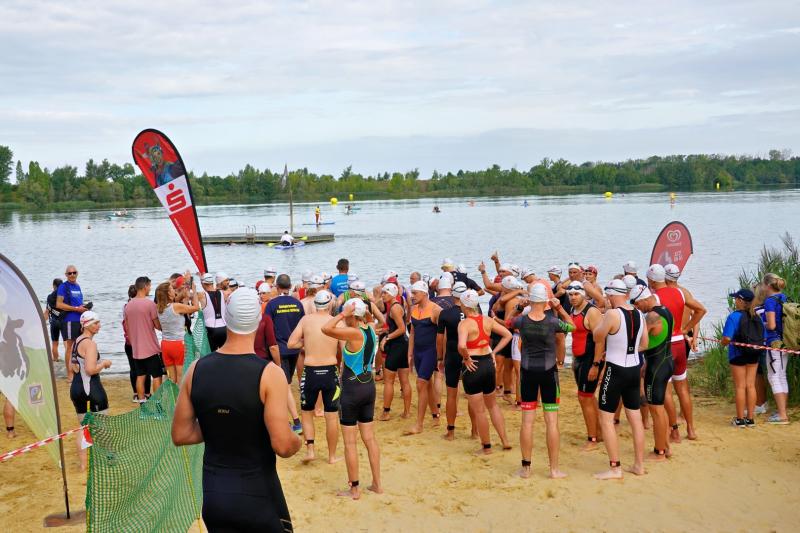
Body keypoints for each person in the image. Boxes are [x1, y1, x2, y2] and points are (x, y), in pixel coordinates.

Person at [172, 288, 301, 532]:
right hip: (258, 495)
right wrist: (298, 441)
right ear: (259, 322)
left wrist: (220, 425)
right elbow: (284, 446)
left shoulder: (196, 369)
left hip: (214, 496)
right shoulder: (270, 374)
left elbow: (181, 434)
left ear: (226, 318)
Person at [508, 284, 573, 478]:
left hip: (528, 372)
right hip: (549, 373)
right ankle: (553, 469)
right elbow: (572, 325)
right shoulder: (553, 322)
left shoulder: (521, 321)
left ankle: (526, 468)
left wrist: (519, 306)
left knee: (527, 422)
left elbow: (507, 320)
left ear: (530, 299)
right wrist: (559, 307)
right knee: (551, 422)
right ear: (546, 301)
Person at [322, 299, 382, 499]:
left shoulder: (354, 333)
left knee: (350, 443)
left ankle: (354, 489)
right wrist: (356, 312)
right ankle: (377, 484)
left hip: (352, 391)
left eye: (347, 314)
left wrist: (341, 314)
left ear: (352, 315)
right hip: (369, 388)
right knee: (370, 438)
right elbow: (371, 318)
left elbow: (326, 328)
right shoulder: (370, 329)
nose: (344, 317)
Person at [590, 279, 649, 480]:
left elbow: (597, 336)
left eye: (608, 296)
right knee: (635, 418)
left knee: (606, 419)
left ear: (612, 295)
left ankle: (615, 468)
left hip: (615, 370)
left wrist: (603, 316)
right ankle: (639, 465)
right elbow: (645, 343)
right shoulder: (639, 313)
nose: (607, 298)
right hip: (633, 369)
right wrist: (626, 350)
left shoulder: (613, 314)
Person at [287, 290, 342, 464]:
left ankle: (310, 451)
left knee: (306, 413)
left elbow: (291, 343)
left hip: (310, 372)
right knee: (331, 416)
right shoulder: (335, 322)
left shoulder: (306, 320)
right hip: (330, 372)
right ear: (330, 304)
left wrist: (307, 342)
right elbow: (345, 349)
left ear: (315, 304)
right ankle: (332, 456)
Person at [457, 289, 513, 455]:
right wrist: (493, 352)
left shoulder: (464, 324)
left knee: (480, 410)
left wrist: (466, 358)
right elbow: (507, 335)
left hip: (473, 366)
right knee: (493, 406)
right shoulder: (487, 320)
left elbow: (461, 345)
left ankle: (486, 447)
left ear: (464, 305)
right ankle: (505, 441)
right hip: (488, 364)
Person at [647, 264, 699, 441]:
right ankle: (691, 429)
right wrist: (686, 329)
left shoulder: (654, 297)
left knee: (666, 391)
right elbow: (701, 310)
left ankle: (674, 430)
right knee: (683, 388)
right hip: (680, 342)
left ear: (651, 280)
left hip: (666, 345)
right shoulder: (681, 292)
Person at [629, 285, 675, 459]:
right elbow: (659, 340)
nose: (637, 307)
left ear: (645, 299)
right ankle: (666, 447)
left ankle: (659, 451)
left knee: (656, 410)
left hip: (657, 367)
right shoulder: (666, 311)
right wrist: (646, 363)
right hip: (665, 361)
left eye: (637, 303)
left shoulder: (652, 316)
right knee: (659, 408)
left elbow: (641, 343)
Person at [69, 311, 111, 471]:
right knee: (103, 426)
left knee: (83, 426)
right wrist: (104, 364)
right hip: (92, 389)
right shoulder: (90, 344)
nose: (99, 325)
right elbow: (90, 370)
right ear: (87, 325)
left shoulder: (76, 341)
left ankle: (83, 465)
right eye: (96, 323)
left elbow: (72, 367)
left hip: (76, 388)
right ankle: (107, 460)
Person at [265, 274, 306, 434]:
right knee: (286, 383)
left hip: (280, 349)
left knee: (285, 385)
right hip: (294, 348)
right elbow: (303, 325)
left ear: (276, 287)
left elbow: (267, 327)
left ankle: (296, 421)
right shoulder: (297, 303)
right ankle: (291, 419)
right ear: (289, 286)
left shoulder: (272, 304)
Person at [566, 281, 603, 450]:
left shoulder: (592, 312)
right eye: (570, 295)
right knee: (588, 397)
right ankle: (600, 432)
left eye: (576, 294)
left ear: (583, 295)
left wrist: (596, 365)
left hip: (590, 360)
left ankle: (592, 439)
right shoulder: (573, 310)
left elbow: (600, 341)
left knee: (584, 398)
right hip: (579, 360)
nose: (573, 297)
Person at [404, 280, 442, 435]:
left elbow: (443, 335)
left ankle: (419, 425)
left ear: (424, 293)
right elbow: (412, 333)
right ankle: (435, 416)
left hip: (430, 351)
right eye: (411, 293)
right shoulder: (413, 309)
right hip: (418, 352)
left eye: (415, 293)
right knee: (427, 384)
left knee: (420, 384)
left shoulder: (436, 310)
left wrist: (441, 357)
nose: (412, 296)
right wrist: (409, 354)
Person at [722, 289, 763, 428]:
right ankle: (750, 419)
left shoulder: (734, 317)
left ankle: (739, 420)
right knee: (750, 385)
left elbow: (727, 338)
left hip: (737, 354)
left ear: (740, 301)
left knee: (740, 386)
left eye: (736, 299)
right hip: (753, 354)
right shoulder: (756, 316)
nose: (734, 301)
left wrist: (723, 343)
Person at [437, 281, 474, 439]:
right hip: (470, 353)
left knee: (451, 394)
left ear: (453, 295)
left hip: (452, 353)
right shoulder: (473, 312)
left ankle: (451, 431)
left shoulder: (445, 314)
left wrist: (440, 357)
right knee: (472, 394)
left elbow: (440, 339)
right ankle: (475, 432)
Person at [123, 276, 163, 402]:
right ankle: (158, 403)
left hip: (136, 349)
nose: (150, 288)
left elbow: (127, 328)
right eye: (149, 286)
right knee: (157, 376)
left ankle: (142, 404)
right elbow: (158, 326)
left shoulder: (128, 306)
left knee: (140, 376)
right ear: (145, 286)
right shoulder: (150, 304)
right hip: (150, 348)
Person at [155, 281, 200, 384]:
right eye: (172, 289)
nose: (174, 291)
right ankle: (180, 395)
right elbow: (196, 308)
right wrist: (194, 291)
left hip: (165, 344)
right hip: (178, 344)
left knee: (171, 378)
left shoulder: (158, 308)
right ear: (168, 293)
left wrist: (183, 294)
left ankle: (172, 394)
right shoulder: (176, 306)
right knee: (181, 376)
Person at [379, 283, 412, 420]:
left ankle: (386, 413)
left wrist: (386, 338)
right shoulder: (396, 306)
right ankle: (407, 412)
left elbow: (402, 329)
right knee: (404, 380)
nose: (382, 295)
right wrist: (385, 330)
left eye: (385, 293)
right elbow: (397, 326)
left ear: (392, 294)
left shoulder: (394, 308)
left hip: (397, 346)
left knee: (389, 381)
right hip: (402, 345)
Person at [761, 273, 790, 424]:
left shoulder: (769, 301)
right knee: (782, 376)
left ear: (767, 285)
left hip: (774, 342)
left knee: (774, 377)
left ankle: (782, 415)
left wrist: (761, 322)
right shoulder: (784, 298)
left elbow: (771, 325)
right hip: (786, 342)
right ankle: (782, 411)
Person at [56, 265, 88, 382]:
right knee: (70, 347)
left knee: (78, 346)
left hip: (79, 320)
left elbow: (78, 303)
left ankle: (78, 372)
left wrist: (83, 308)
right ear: (66, 275)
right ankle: (70, 375)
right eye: (70, 273)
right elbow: (59, 304)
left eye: (74, 272)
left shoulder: (77, 286)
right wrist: (76, 309)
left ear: (77, 273)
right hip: (69, 320)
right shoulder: (63, 287)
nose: (72, 275)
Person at [122, 284, 150, 402]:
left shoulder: (126, 307)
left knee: (133, 368)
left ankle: (136, 394)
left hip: (129, 343)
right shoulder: (142, 306)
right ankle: (147, 393)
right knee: (145, 369)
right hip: (141, 342)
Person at [199, 273, 227, 351]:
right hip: (224, 328)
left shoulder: (202, 295)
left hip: (211, 329)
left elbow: (189, 296)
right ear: (212, 282)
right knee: (224, 354)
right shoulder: (223, 293)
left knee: (211, 354)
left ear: (203, 284)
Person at [44, 278, 64, 363]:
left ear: (54, 286)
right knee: (67, 343)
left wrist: (41, 323)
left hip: (54, 322)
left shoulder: (50, 297)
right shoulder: (64, 296)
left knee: (55, 343)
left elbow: (47, 312)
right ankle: (69, 360)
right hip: (63, 321)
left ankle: (55, 360)